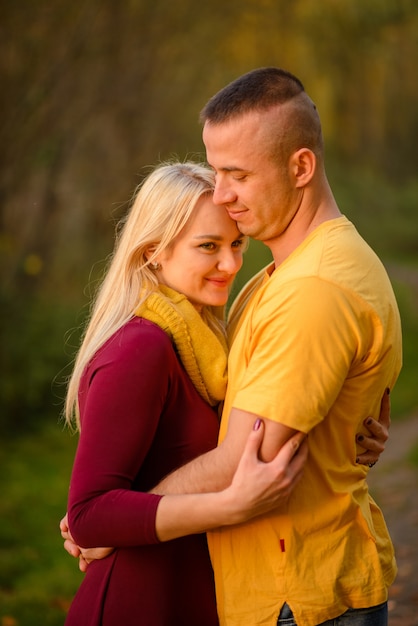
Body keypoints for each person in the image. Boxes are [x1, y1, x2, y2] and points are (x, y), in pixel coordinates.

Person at [143, 68, 402, 626]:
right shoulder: (282, 274)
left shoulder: (314, 289)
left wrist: (124, 520)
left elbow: (243, 461)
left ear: (300, 167)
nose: (220, 194)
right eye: (216, 171)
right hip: (288, 587)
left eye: (237, 174)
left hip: (300, 596)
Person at [61, 160, 309, 626]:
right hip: (140, 602)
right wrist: (230, 504)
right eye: (208, 247)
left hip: (192, 595)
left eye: (236, 244)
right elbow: (89, 516)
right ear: (154, 251)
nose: (231, 264)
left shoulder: (204, 342)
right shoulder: (140, 347)